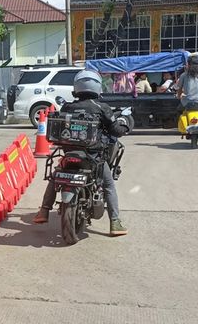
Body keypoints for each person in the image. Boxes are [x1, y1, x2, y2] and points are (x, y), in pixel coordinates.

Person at [33, 70, 130, 236]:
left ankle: (43, 211)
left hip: (69, 153)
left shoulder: (67, 106)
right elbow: (115, 130)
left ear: (77, 87)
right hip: (94, 157)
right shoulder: (102, 107)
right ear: (97, 87)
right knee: (108, 185)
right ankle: (115, 222)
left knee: (55, 177)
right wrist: (125, 125)